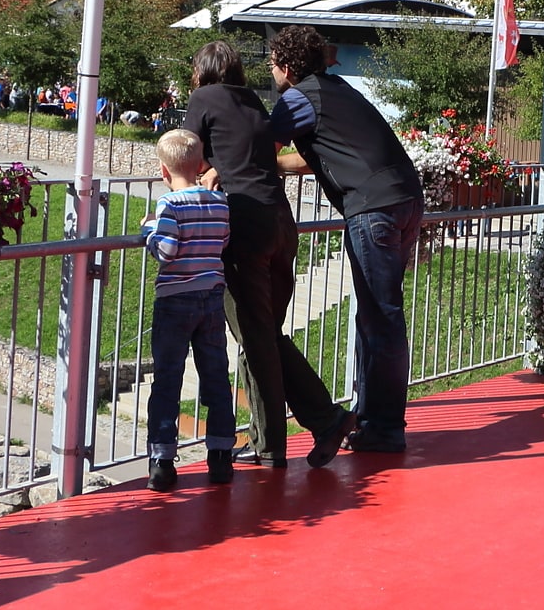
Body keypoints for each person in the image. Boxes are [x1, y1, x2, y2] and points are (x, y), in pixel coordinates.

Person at [183, 39, 351, 469]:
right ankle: (272, 436)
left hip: (245, 226)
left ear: (201, 72)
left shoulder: (203, 98)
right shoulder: (254, 102)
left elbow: (187, 154)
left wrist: (201, 177)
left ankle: (297, 435)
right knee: (264, 336)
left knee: (257, 338)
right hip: (281, 223)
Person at [264, 25, 424, 455]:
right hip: (404, 200)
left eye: (272, 60)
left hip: (372, 208)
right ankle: (372, 421)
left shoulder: (297, 98)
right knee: (377, 317)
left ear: (285, 66)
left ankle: (386, 428)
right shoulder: (336, 91)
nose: (270, 68)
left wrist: (214, 170)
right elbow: (313, 154)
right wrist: (281, 166)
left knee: (382, 320)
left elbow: (260, 146)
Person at [142, 128, 235, 491]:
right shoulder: (220, 202)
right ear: (200, 165)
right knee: (215, 376)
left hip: (174, 300)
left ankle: (163, 461)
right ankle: (221, 457)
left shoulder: (170, 205)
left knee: (167, 379)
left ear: (164, 171)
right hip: (211, 296)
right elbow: (222, 241)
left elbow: (165, 251)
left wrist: (149, 231)